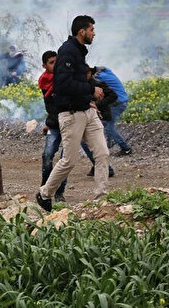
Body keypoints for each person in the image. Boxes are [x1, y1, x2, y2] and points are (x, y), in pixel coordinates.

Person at [37, 15, 111, 213]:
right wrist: (90, 90)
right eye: (92, 30)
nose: (94, 34)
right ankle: (44, 193)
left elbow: (79, 81)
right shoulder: (68, 52)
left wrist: (91, 93)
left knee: (102, 153)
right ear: (82, 31)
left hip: (87, 111)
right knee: (69, 160)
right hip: (71, 114)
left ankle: (101, 199)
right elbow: (63, 84)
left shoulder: (79, 52)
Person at [37, 51, 68, 202]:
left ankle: (59, 192)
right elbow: (50, 106)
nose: (55, 65)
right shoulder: (44, 81)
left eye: (57, 61)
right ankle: (45, 187)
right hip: (54, 124)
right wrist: (49, 123)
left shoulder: (65, 78)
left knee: (65, 159)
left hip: (69, 123)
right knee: (47, 156)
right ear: (44, 65)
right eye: (51, 62)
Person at [93, 66, 132, 155]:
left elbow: (90, 82)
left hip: (118, 103)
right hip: (121, 102)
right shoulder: (108, 73)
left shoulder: (101, 76)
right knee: (106, 123)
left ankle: (126, 148)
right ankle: (109, 144)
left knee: (108, 127)